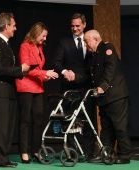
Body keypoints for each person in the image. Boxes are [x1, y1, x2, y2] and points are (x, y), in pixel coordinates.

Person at [0, 13, 31, 168]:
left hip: (8, 91)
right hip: (0, 91)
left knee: (7, 127)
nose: (15, 29)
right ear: (6, 26)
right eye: (13, 25)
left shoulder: (5, 44)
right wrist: (20, 69)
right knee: (1, 127)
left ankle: (3, 157)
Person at [53, 13, 97, 162]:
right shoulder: (64, 42)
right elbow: (57, 63)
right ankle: (72, 152)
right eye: (72, 26)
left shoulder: (90, 41)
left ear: (84, 25)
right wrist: (65, 72)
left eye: (78, 26)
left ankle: (90, 152)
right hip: (69, 88)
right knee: (71, 121)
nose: (75, 28)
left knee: (89, 119)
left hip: (86, 87)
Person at [83, 29, 132, 164]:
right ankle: (105, 153)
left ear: (95, 39)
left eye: (87, 42)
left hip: (115, 95)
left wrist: (102, 87)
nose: (85, 45)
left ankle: (124, 155)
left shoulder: (107, 48)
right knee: (106, 127)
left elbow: (111, 69)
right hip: (103, 98)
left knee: (119, 126)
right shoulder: (92, 55)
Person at [15, 22, 59, 164]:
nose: (45, 39)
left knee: (39, 119)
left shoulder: (39, 47)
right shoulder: (25, 46)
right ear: (36, 33)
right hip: (26, 86)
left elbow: (38, 69)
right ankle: (23, 152)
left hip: (38, 87)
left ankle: (35, 150)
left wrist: (45, 76)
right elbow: (26, 69)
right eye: (43, 36)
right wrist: (45, 72)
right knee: (25, 120)